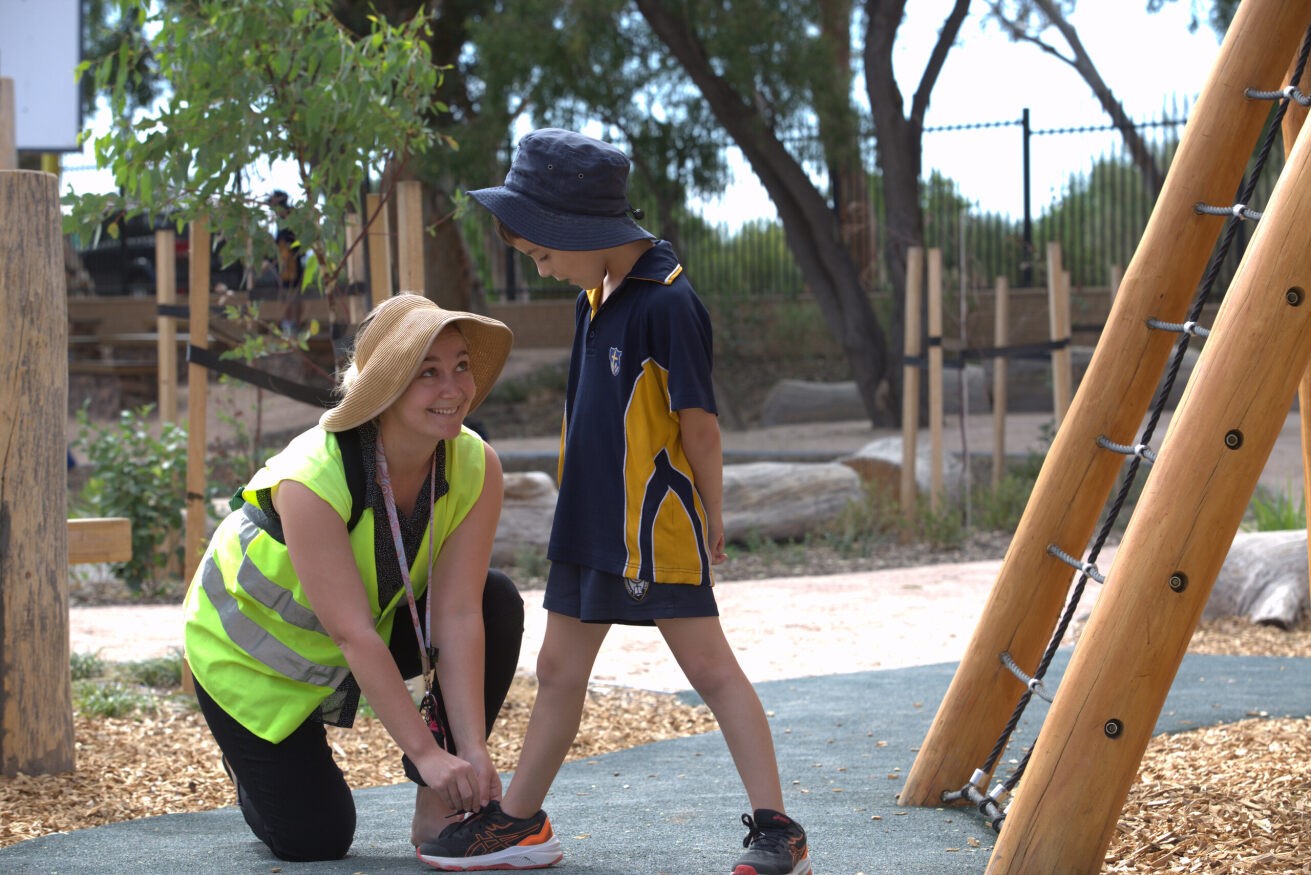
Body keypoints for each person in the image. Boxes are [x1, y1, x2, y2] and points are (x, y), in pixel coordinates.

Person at [422, 129, 810, 875]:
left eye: (542, 253)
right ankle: (519, 821)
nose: (541, 268)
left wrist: (714, 509)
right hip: (589, 522)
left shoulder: (669, 304)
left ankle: (779, 830)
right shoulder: (592, 295)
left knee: (710, 669)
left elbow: (699, 423)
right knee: (559, 667)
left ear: (580, 228)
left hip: (653, 527)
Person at [182, 293, 559, 866]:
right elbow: (353, 634)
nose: (454, 387)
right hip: (251, 663)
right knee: (316, 841)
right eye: (426, 373)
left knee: (495, 599)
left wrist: (469, 752)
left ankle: (439, 805)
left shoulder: (476, 463)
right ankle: (252, 766)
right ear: (382, 388)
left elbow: (457, 613)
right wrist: (428, 752)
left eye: (460, 365)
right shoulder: (311, 476)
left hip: (362, 633)